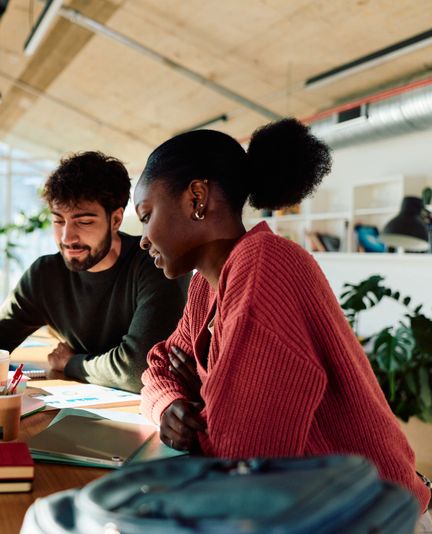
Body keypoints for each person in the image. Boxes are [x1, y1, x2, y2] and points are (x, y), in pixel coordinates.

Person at [134, 118, 431, 514]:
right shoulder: (207, 284)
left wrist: (201, 399)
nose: (143, 237)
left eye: (146, 214)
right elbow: (157, 367)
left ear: (196, 198)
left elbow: (242, 456)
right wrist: (170, 404)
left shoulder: (265, 266)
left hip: (374, 516)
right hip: (310, 508)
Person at [0, 151, 188, 392]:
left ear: (115, 219)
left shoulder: (154, 266)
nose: (68, 236)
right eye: (58, 220)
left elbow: (138, 368)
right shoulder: (47, 274)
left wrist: (70, 363)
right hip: (86, 406)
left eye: (84, 221)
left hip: (154, 414)